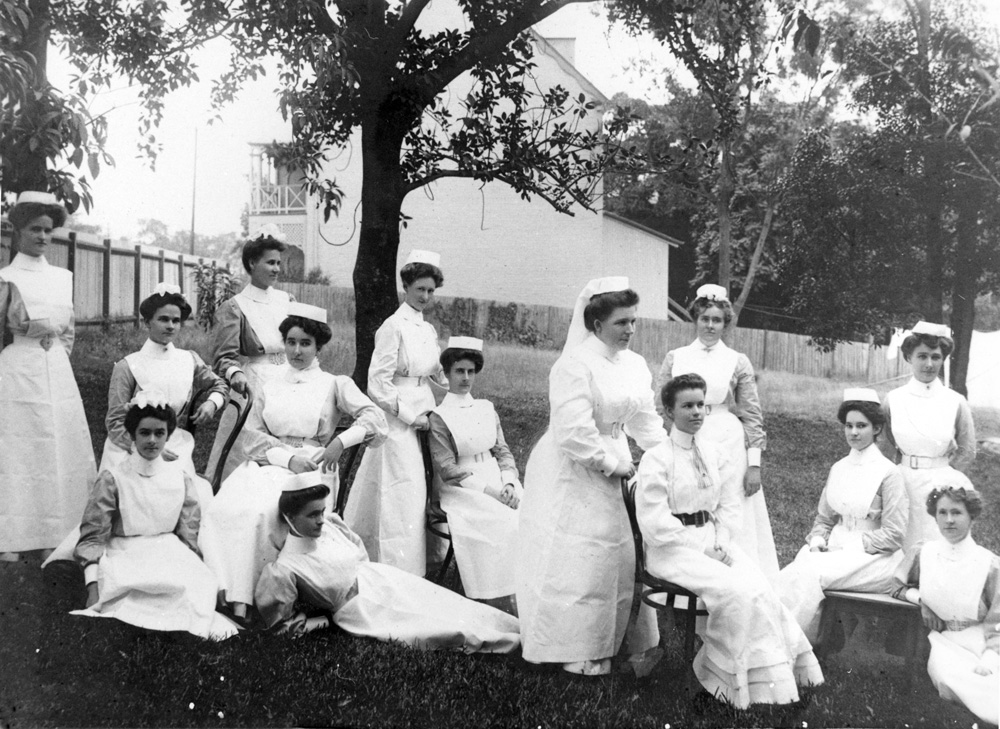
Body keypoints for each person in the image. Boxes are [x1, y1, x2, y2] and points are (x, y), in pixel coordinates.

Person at [637, 374, 823, 707]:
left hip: (712, 541)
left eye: (701, 405)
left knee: (759, 586)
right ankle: (723, 680)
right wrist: (702, 548)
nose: (696, 412)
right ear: (668, 410)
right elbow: (654, 523)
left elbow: (727, 503)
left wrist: (721, 540)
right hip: (672, 549)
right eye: (687, 406)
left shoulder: (712, 451)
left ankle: (773, 678)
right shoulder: (657, 458)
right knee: (737, 592)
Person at [515, 277, 666, 677]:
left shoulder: (634, 365)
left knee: (614, 554)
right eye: (621, 323)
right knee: (578, 554)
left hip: (614, 455)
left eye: (634, 321)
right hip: (572, 468)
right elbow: (573, 433)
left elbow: (645, 420)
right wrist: (612, 464)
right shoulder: (573, 365)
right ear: (597, 324)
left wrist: (666, 453)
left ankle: (610, 640)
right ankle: (569, 644)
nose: (630, 330)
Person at [200, 303, 387, 622]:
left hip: (315, 467)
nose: (297, 350)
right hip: (272, 464)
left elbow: (375, 417)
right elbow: (251, 436)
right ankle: (229, 594)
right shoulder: (269, 383)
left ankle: (259, 598)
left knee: (264, 510)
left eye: (305, 343)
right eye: (291, 342)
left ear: (318, 347)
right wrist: (286, 458)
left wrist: (341, 441)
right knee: (228, 507)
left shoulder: (334, 383)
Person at [42, 283, 227, 566]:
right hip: (130, 447)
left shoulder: (188, 359)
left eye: (176, 320)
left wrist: (211, 402)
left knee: (190, 506)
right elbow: (115, 420)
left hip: (176, 445)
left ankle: (183, 558)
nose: (170, 326)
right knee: (129, 511)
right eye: (163, 319)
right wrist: (142, 448)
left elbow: (218, 384)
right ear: (147, 322)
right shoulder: (129, 366)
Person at [254, 472, 520, 654]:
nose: (321, 520)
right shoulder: (285, 569)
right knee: (440, 627)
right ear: (289, 516)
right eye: (312, 515)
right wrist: (324, 620)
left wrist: (374, 577)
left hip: (379, 579)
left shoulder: (331, 526)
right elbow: (282, 629)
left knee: (449, 604)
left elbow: (357, 550)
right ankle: (514, 643)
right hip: (360, 611)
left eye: (322, 511)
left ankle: (517, 628)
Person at [70, 395, 238, 640]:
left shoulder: (180, 478)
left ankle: (172, 625)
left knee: (194, 582)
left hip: (167, 547)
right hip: (124, 550)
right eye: (144, 433)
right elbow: (93, 537)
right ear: (131, 435)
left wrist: (191, 564)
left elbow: (189, 535)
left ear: (168, 435)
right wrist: (92, 589)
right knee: (132, 586)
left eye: (159, 433)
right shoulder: (113, 478)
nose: (152, 440)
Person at [656, 283, 779, 582]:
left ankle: (740, 580)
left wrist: (754, 465)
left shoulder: (737, 360)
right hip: (686, 435)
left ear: (726, 323)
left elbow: (751, 415)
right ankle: (690, 577)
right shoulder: (677, 356)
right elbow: (660, 407)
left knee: (729, 507)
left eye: (717, 320)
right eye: (705, 318)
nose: (710, 326)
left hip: (727, 438)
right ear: (695, 318)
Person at [0, 191, 96, 561]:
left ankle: (56, 532)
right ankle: (13, 534)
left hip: (55, 367)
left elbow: (67, 330)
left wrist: (56, 359)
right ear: (18, 232)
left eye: (48, 230)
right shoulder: (7, 276)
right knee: (21, 450)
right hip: (18, 369)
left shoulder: (62, 277)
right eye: (34, 229)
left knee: (58, 448)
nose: (42, 237)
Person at [344, 249, 448, 576]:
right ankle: (395, 565)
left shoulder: (427, 330)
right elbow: (377, 382)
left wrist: (453, 403)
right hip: (399, 413)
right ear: (406, 285)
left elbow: (437, 373)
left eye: (431, 291)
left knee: (429, 484)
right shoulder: (393, 326)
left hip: (425, 405)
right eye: (420, 289)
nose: (426, 297)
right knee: (402, 488)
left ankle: (427, 558)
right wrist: (407, 415)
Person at [777, 389, 909, 643]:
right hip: (834, 547)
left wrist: (854, 546)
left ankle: (795, 646)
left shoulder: (889, 473)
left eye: (862, 425)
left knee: (810, 573)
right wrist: (817, 541)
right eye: (849, 426)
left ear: (877, 429)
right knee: (795, 570)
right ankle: (780, 641)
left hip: (876, 557)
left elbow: (894, 534)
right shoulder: (838, 468)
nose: (854, 432)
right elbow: (825, 519)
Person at [427, 336, 521, 614]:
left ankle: (525, 593)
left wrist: (510, 483)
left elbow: (502, 451)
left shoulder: (486, 408)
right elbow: (447, 467)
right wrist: (491, 493)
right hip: (462, 488)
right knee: (504, 522)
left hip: (496, 477)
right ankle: (497, 598)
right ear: (447, 373)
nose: (466, 378)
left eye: (470, 371)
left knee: (529, 518)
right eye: (459, 371)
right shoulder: (439, 416)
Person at [892, 486, 998, 726]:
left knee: (990, 676)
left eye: (957, 513)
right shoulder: (924, 552)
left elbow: (997, 620)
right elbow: (896, 586)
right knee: (952, 677)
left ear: (972, 516)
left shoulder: (989, 564)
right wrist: (922, 602)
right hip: (945, 640)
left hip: (983, 640)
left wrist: (991, 658)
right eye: (942, 512)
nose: (949, 520)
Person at [207, 224, 295, 482]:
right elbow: (224, 357)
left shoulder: (286, 300)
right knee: (251, 448)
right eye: (270, 263)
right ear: (252, 262)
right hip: (255, 382)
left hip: (288, 378)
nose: (276, 269)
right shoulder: (235, 307)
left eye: (278, 263)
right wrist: (234, 374)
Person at [883, 321, 976, 550]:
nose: (929, 364)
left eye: (936, 357)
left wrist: (950, 481)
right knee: (903, 545)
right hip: (903, 482)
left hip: (942, 484)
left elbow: (967, 449)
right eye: (922, 356)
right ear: (909, 358)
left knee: (940, 547)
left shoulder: (955, 401)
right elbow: (885, 446)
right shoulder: (893, 399)